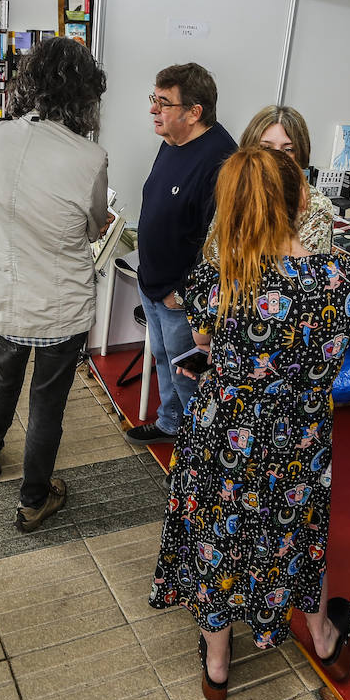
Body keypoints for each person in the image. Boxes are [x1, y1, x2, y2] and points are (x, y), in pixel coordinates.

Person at [148, 146, 350, 700]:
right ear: (300, 200)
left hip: (223, 435)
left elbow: (204, 342)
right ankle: (321, 636)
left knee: (216, 538)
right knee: (296, 531)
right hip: (299, 438)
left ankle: (218, 664)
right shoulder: (343, 279)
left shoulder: (216, 280)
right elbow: (335, 343)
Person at [0, 37, 110, 533]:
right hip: (59, 304)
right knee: (48, 401)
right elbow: (91, 227)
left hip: (3, 291)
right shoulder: (89, 158)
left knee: (2, 377)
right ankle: (32, 499)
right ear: (85, 94)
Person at [127, 63, 236, 446]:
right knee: (162, 360)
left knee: (189, 375)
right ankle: (171, 423)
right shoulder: (172, 141)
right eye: (154, 99)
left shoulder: (221, 160)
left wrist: (184, 293)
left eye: (164, 102)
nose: (154, 109)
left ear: (194, 112)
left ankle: (197, 451)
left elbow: (218, 244)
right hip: (154, 283)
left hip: (180, 295)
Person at [233, 105, 335, 253]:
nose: (276, 157)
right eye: (266, 148)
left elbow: (302, 269)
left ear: (300, 153)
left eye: (288, 150)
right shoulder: (235, 191)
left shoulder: (317, 206)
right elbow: (215, 257)